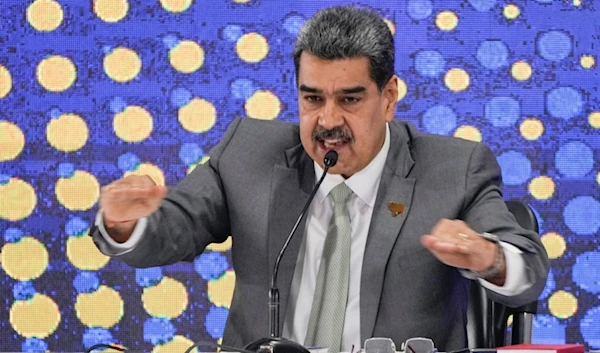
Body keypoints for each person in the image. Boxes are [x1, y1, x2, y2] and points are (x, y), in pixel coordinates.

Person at [91, 5, 549, 353]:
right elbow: (174, 227)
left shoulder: (454, 169)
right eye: (312, 98)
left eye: (350, 100)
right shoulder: (248, 153)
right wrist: (124, 225)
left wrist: (489, 256)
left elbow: (528, 270)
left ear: (388, 99)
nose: (327, 120)